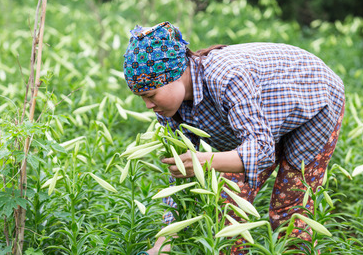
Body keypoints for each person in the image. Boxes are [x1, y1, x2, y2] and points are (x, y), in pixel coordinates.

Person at [123, 21, 345, 254]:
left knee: (289, 208)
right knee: (226, 208)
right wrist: (162, 245)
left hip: (316, 101)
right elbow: (181, 181)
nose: (148, 105)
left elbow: (261, 150)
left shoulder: (225, 78)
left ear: (176, 75)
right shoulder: (168, 110)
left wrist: (205, 161)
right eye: (142, 98)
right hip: (263, 120)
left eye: (150, 95)